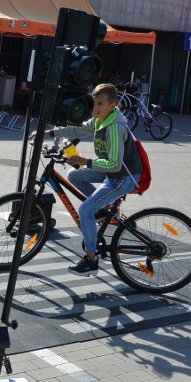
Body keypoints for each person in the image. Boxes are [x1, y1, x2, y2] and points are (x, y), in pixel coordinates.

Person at [32, 84, 143, 276]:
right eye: (94, 103)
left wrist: (85, 160)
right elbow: (77, 131)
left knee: (85, 210)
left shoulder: (115, 127)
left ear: (113, 105)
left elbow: (115, 165)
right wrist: (49, 133)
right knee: (74, 175)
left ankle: (91, 259)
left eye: (100, 104)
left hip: (124, 177)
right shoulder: (100, 120)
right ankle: (104, 209)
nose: (95, 108)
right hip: (113, 173)